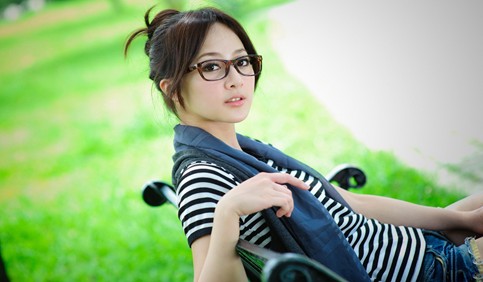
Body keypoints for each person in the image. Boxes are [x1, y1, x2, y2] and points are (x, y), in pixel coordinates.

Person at [125, 6, 483, 282]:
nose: (236, 79)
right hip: (436, 270)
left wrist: (457, 220)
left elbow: (351, 204)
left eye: (241, 61)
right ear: (171, 87)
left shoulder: (245, 152)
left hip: (427, 247)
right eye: (212, 67)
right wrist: (227, 214)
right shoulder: (205, 177)